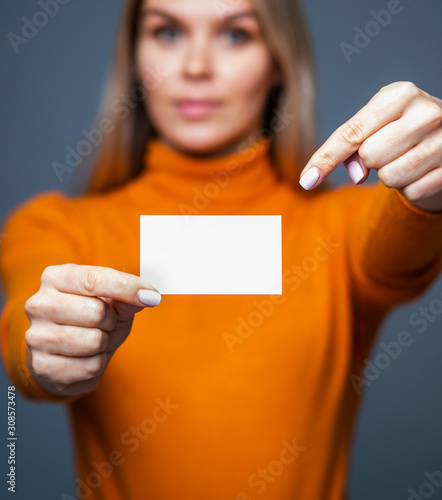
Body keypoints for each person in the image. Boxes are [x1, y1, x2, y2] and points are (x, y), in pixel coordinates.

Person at [1, 0, 442, 498]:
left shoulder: (338, 229)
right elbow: (27, 328)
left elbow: (403, 234)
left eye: (235, 35)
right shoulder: (55, 227)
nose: (195, 67)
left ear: (278, 59)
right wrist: (42, 352)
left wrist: (431, 182)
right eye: (167, 33)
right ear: (132, 55)